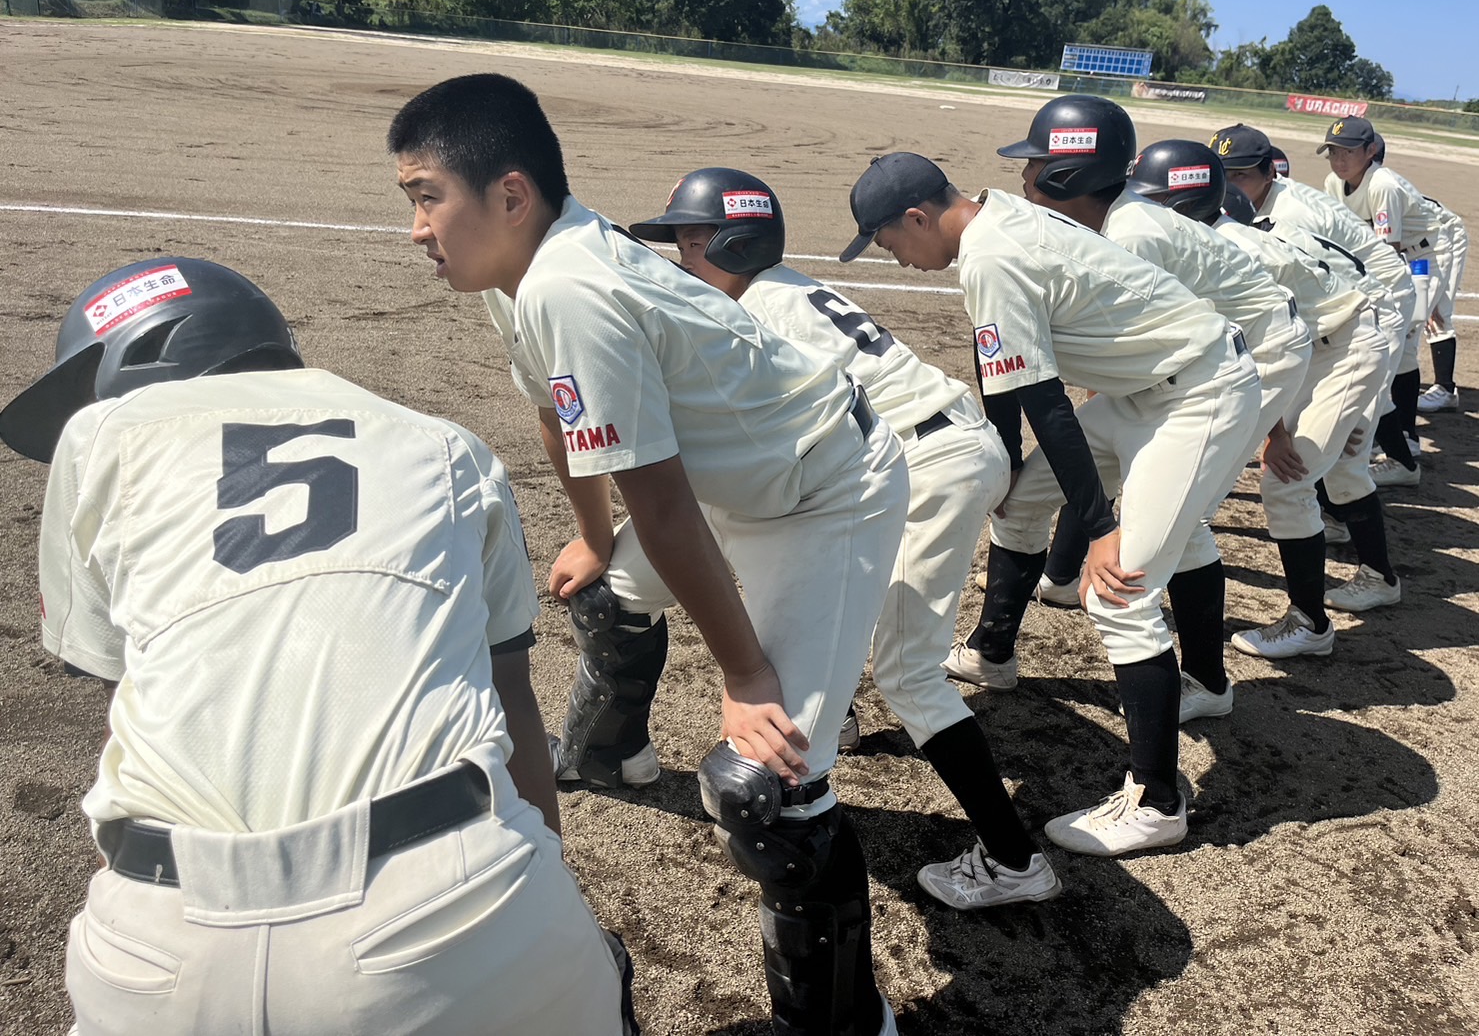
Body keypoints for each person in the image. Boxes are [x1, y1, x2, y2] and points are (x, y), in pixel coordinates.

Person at [389, 74, 909, 1036]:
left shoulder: (570, 284)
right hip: (738, 481)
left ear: (510, 195)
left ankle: (846, 1022)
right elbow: (559, 417)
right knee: (604, 594)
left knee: (767, 787)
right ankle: (616, 751)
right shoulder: (521, 271)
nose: (416, 228)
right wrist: (594, 540)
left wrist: (745, 672)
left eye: (428, 198)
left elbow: (661, 503)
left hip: (825, 489)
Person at [0, 258, 636, 1035]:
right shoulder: (450, 447)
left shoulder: (99, 435)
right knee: (593, 971)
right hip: (450, 910)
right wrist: (546, 886)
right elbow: (511, 698)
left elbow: (124, 704)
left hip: (159, 943)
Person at [631, 166, 1059, 910]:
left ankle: (1014, 860)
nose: (682, 260)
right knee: (837, 577)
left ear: (736, 244)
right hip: (941, 442)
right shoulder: (780, 288)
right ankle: (841, 713)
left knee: (910, 673)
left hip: (930, 461)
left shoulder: (753, 314)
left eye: (694, 243)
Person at [842, 151, 1260, 857]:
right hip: (1143, 392)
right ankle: (993, 653)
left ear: (916, 218)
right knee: (1018, 503)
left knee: (1119, 589)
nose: (896, 257)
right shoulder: (994, 214)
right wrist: (1008, 462)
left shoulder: (991, 256)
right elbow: (1004, 370)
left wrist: (1098, 525)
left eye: (887, 241)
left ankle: (1157, 802)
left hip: (1198, 395)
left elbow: (1047, 403)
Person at [992, 96, 1310, 721]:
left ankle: (1205, 682)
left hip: (1255, 353)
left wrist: (1275, 428)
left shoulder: (1130, 231)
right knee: (1150, 495)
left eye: (1036, 164)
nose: (1024, 176)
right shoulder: (1116, 217)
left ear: (1071, 173)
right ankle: (1064, 583)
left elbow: (1147, 339)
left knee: (1183, 521)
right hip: (1216, 355)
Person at [1132, 143, 1389, 658]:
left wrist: (1281, 430)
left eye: (1152, 200)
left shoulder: (1225, 249)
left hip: (1341, 345)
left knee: (1287, 481)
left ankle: (1311, 624)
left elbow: (1268, 347)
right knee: (1309, 469)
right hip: (1321, 341)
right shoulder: (1217, 235)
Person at [1213, 122, 1409, 613]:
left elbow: (1361, 285)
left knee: (1342, 460)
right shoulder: (1245, 212)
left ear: (1268, 172)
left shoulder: (1290, 212)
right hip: (1325, 324)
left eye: (1239, 174)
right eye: (1221, 173)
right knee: (1326, 456)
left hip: (1375, 307)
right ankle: (1339, 528)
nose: (1229, 184)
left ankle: (1375, 577)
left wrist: (1365, 402)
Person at [1318, 114, 1448, 474]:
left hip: (1422, 259)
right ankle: (1398, 437)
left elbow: (1387, 251)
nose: (1339, 160)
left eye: (1348, 151)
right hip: (1392, 260)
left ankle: (1402, 440)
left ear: (1371, 150)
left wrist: (1429, 296)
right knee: (1399, 352)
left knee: (1402, 345)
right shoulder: (1333, 182)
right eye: (1333, 152)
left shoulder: (1383, 185)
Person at [1370, 131, 1468, 415]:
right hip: (1415, 249)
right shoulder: (1366, 188)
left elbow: (1396, 248)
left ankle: (1445, 389)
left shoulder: (1384, 188)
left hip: (1441, 242)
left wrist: (1431, 291)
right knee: (1419, 309)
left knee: (1434, 313)